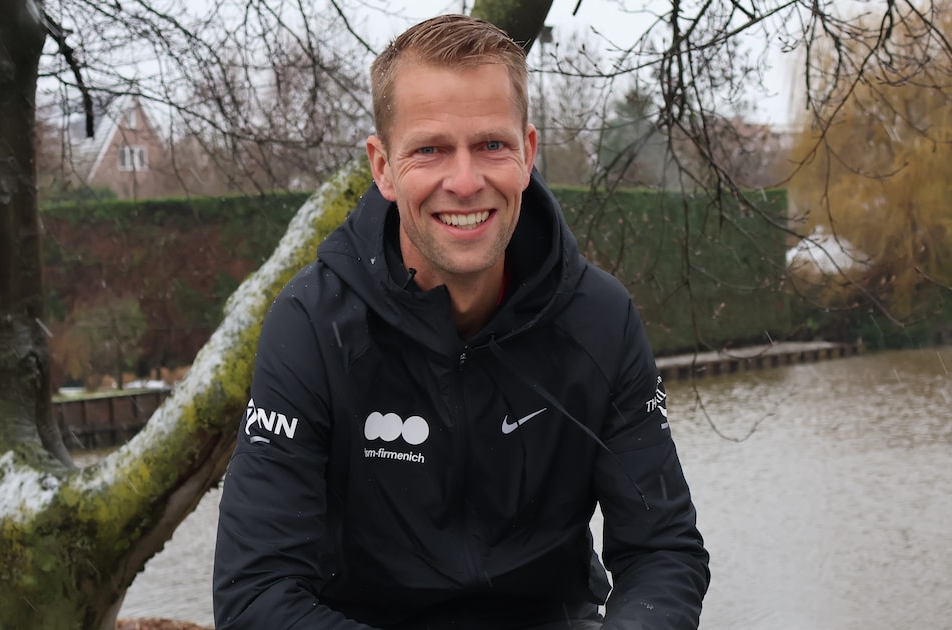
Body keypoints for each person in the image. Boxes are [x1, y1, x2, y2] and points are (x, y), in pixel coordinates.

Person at [212, 14, 709, 630]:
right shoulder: (311, 325)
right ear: (383, 167)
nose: (466, 181)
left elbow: (662, 552)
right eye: (430, 149)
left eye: (491, 145)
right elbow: (255, 593)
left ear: (527, 154)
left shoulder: (600, 319)